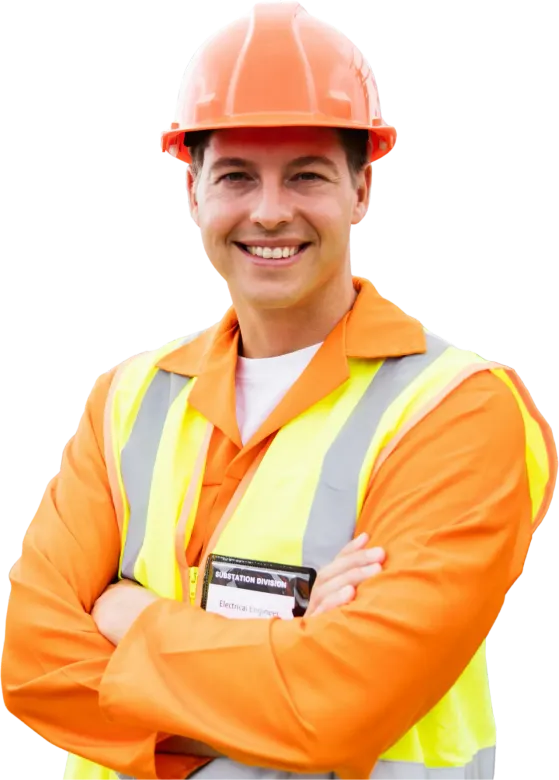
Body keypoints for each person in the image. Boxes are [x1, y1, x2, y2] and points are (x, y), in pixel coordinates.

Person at [2, 3, 556, 780]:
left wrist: (128, 616)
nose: (268, 211)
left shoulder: (458, 410)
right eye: (235, 176)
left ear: (362, 188)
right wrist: (288, 659)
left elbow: (339, 707)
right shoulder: (128, 398)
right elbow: (31, 660)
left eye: (306, 175)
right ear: (192, 191)